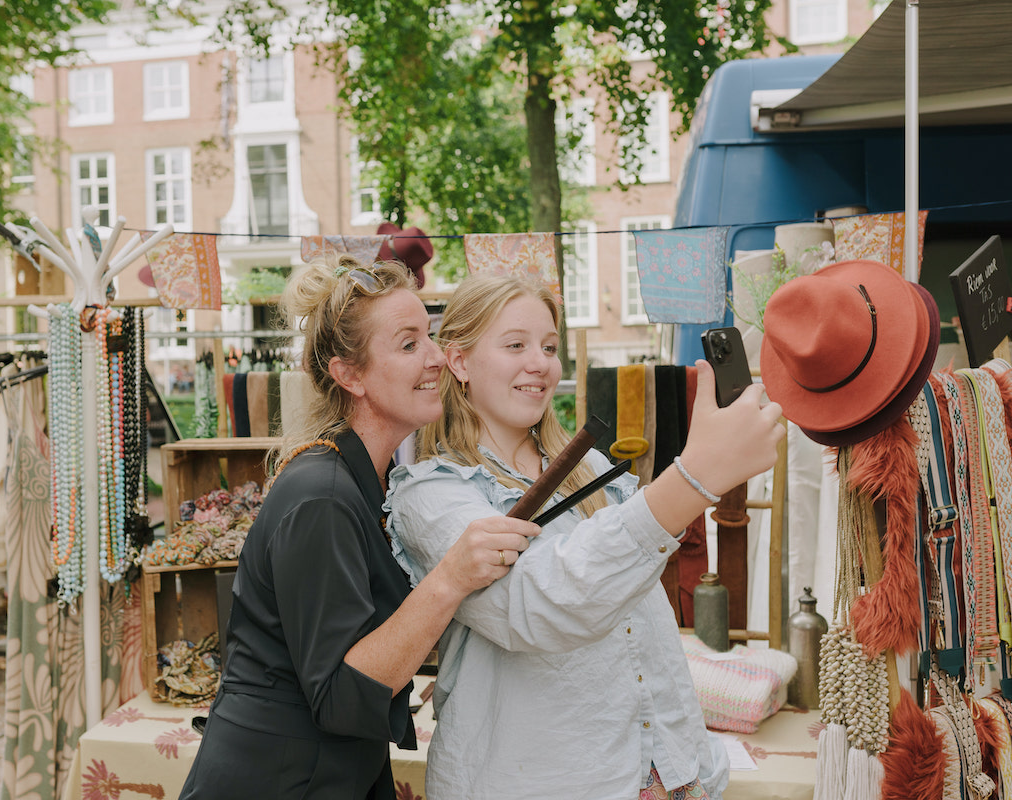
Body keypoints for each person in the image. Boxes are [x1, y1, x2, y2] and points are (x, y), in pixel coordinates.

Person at [385, 274, 786, 800]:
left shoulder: (588, 468)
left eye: (550, 347)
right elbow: (541, 605)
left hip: (665, 770)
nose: (540, 363)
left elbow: (644, 623)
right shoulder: (430, 494)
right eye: (515, 345)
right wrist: (692, 480)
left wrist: (688, 758)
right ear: (459, 361)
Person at [178, 256, 540, 800]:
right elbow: (342, 694)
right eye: (409, 344)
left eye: (430, 337)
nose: (437, 357)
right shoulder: (321, 498)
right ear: (350, 375)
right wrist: (450, 578)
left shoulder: (368, 480)